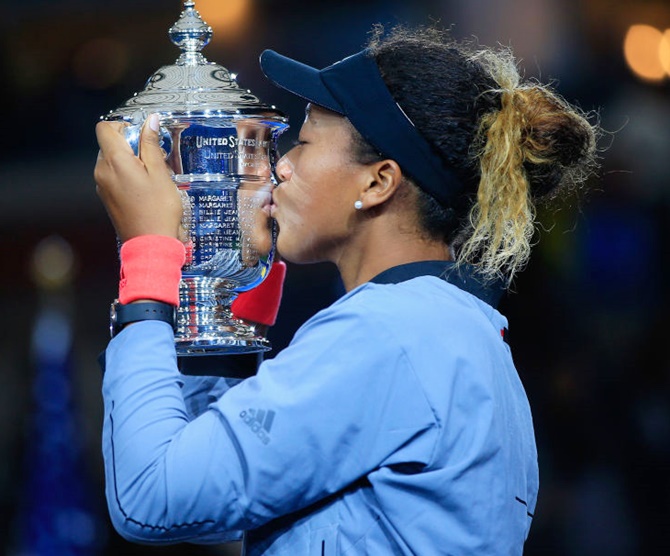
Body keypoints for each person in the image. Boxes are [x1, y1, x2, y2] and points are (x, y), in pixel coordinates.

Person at [94, 24, 599, 555]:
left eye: (305, 143)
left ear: (377, 182)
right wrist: (238, 312)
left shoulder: (388, 335)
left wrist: (147, 260)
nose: (280, 167)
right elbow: (209, 502)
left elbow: (149, 495)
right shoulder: (445, 327)